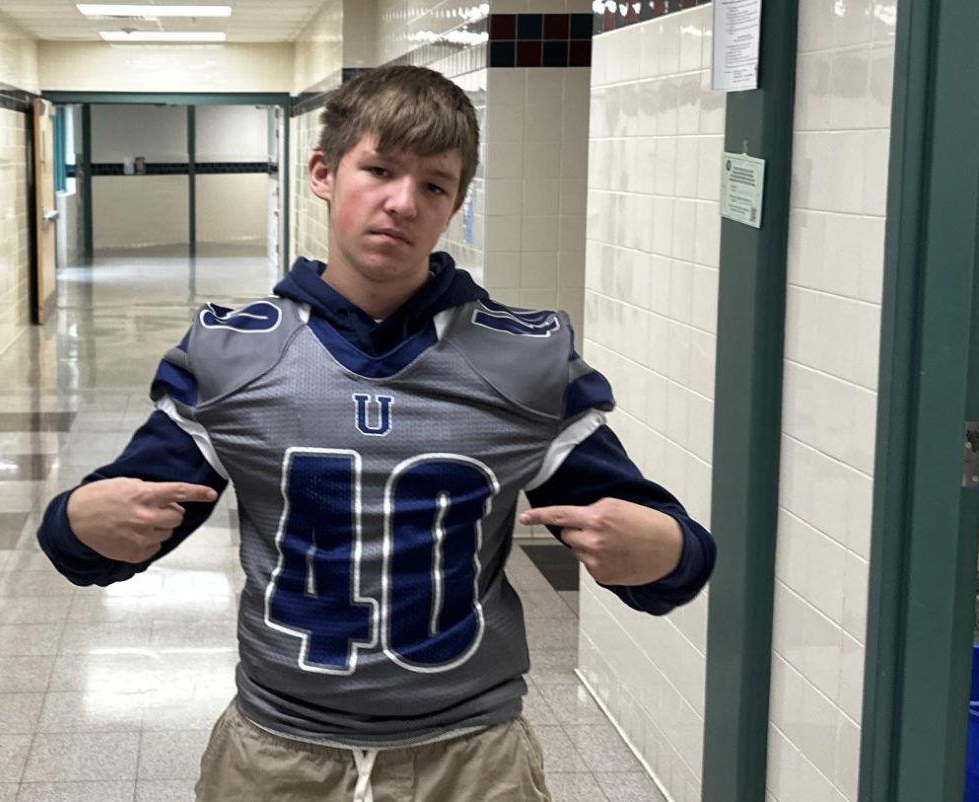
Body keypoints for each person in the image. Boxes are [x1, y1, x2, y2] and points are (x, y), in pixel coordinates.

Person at [38, 64, 715, 802]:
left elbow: (670, 554)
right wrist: (77, 521)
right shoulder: (237, 355)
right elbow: (107, 537)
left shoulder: (521, 362)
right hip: (278, 748)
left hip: (472, 754)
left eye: (434, 185)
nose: (402, 203)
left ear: (456, 202)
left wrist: (667, 549)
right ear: (324, 172)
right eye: (380, 170)